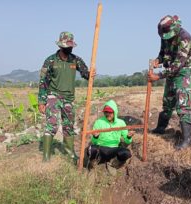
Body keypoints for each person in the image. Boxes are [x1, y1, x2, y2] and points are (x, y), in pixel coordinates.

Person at [38, 31, 90, 162]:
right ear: (60, 46)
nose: (69, 48)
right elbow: (43, 82)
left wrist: (91, 73)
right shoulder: (50, 60)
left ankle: (70, 153)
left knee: (68, 126)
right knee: (52, 125)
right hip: (53, 96)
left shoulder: (75, 60)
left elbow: (85, 73)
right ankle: (46, 157)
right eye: (67, 46)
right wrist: (41, 101)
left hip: (68, 98)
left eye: (71, 46)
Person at [148, 15, 191, 150]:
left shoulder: (184, 38)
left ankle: (186, 140)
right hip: (170, 72)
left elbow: (178, 65)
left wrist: (158, 76)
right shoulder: (164, 36)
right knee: (167, 102)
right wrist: (158, 60)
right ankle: (160, 128)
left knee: (182, 105)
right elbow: (163, 53)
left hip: (182, 73)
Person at [84, 100, 135, 169]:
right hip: (101, 148)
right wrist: (95, 137)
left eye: (110, 112)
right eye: (106, 112)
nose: (107, 114)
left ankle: (114, 163)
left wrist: (129, 137)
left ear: (115, 112)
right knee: (91, 149)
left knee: (126, 153)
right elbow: (94, 142)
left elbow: (127, 141)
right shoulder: (99, 122)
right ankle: (94, 164)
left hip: (114, 149)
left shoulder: (121, 123)